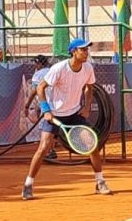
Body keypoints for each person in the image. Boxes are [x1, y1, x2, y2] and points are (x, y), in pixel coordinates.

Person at [21, 38, 112, 200]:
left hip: (74, 114)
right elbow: (40, 87)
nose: (86, 52)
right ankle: (28, 185)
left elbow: (89, 87)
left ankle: (100, 182)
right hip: (55, 115)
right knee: (43, 148)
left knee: (92, 145)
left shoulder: (88, 68)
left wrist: (86, 107)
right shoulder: (59, 68)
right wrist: (46, 110)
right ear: (73, 52)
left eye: (87, 49)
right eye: (83, 49)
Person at [24, 54, 57, 159]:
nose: (34, 65)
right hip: (58, 103)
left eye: (36, 63)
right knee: (51, 127)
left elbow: (34, 91)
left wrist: (27, 105)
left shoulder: (38, 74)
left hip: (46, 104)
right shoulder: (53, 70)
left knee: (46, 129)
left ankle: (49, 151)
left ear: (39, 63)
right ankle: (51, 150)